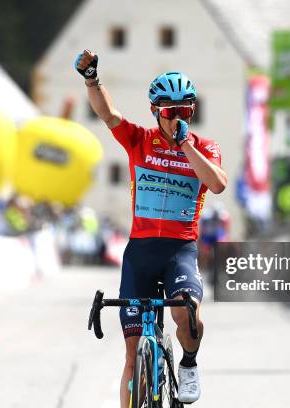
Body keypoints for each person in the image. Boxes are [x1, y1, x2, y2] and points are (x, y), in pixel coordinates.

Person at [75, 49, 227, 406]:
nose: (177, 118)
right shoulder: (139, 140)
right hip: (140, 252)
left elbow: (217, 183)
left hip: (180, 251)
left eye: (185, 111)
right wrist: (91, 79)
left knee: (185, 314)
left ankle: (188, 363)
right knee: (131, 356)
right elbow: (108, 114)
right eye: (170, 112)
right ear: (156, 111)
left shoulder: (204, 147)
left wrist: (185, 145)